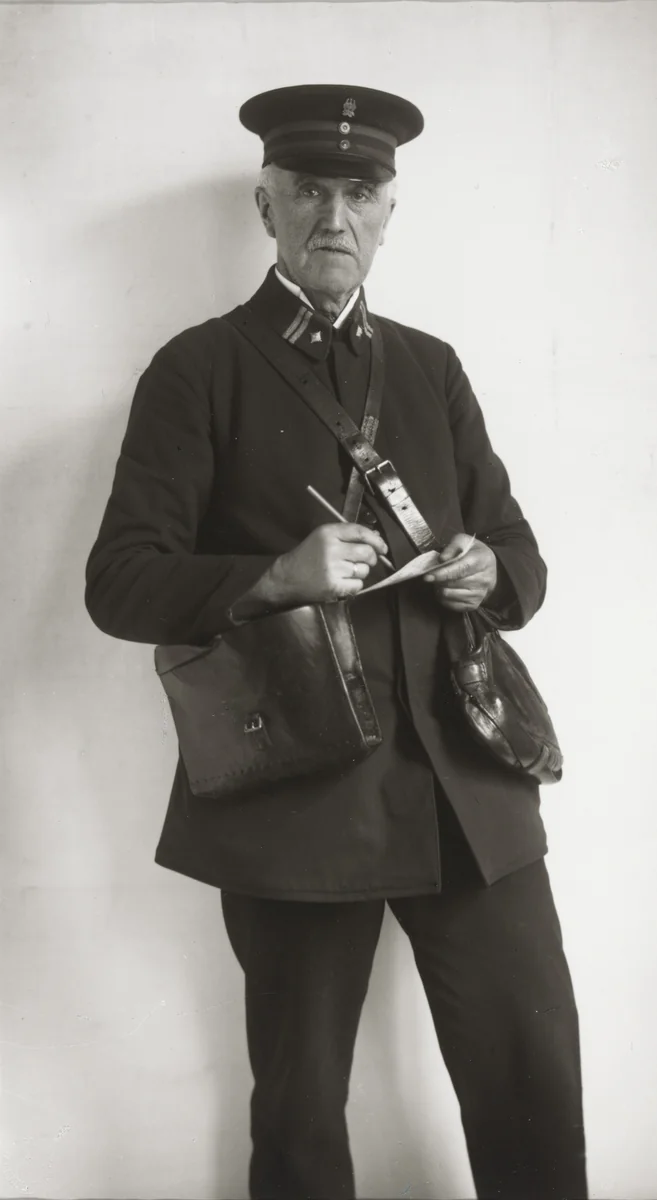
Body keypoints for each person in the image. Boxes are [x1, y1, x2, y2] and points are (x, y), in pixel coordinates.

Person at [85, 84, 587, 1200]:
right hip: (295, 791)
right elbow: (118, 584)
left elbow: (522, 557)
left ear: (390, 210)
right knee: (303, 1111)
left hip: (468, 778)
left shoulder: (432, 366)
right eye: (309, 190)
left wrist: (488, 570)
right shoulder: (197, 370)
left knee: (534, 1077)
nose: (335, 214)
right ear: (266, 206)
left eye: (360, 192)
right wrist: (276, 576)